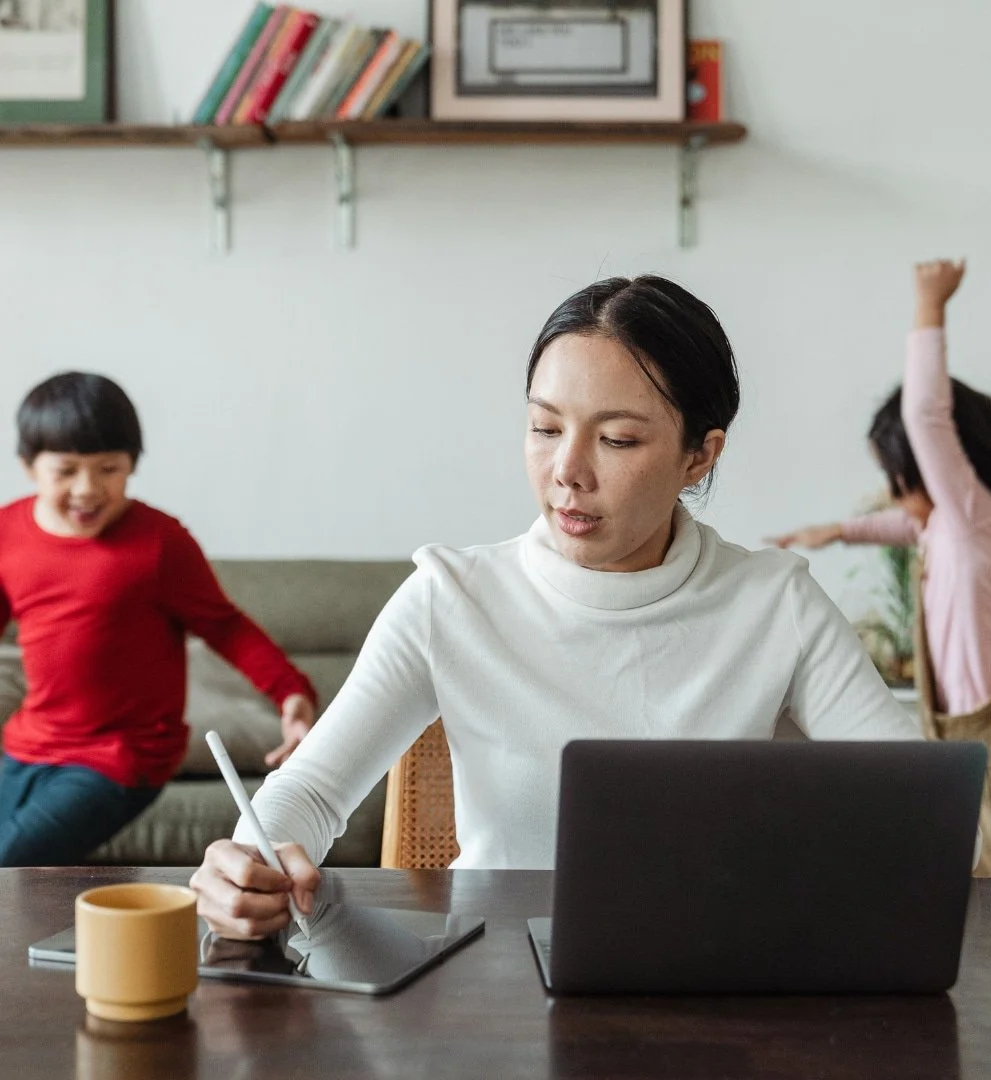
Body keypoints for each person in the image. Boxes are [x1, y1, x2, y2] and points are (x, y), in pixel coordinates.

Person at [191, 274, 922, 939]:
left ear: (700, 456)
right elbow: (313, 790)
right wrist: (250, 860)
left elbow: (914, 804)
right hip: (494, 997)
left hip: (713, 986)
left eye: (617, 439)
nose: (567, 471)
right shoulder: (452, 598)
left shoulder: (774, 603)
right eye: (544, 428)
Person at [769, 259, 991, 877]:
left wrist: (929, 304)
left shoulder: (971, 513)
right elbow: (913, 525)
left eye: (894, 475)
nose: (890, 492)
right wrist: (839, 531)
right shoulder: (973, 524)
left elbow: (924, 415)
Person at [0, 372, 318, 866]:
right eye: (65, 471)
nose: (87, 489)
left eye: (108, 469)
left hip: (120, 758)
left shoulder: (159, 544)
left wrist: (291, 693)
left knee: (8, 861)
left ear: (132, 466)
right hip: (28, 744)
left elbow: (225, 626)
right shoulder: (7, 533)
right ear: (28, 466)